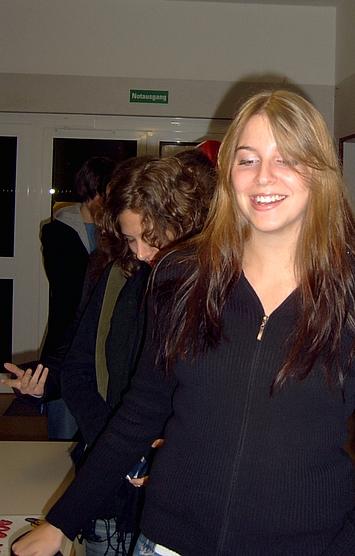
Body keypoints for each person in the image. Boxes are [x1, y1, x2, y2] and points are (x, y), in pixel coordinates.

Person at [13, 90, 355, 556]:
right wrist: (61, 523)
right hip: (168, 542)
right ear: (228, 174)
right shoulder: (182, 276)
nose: (263, 176)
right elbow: (139, 413)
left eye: (285, 158)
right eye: (247, 160)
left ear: (320, 171)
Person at [59, 154, 216, 556]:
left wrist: (164, 452)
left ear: (185, 223)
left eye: (153, 237)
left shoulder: (216, 294)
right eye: (131, 239)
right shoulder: (119, 277)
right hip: (108, 486)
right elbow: (76, 371)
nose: (143, 253)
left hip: (179, 493)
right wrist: (121, 449)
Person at [2, 156, 116, 440]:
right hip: (68, 338)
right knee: (63, 431)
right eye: (105, 191)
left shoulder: (117, 233)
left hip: (103, 343)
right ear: (91, 190)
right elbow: (68, 288)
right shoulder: (57, 231)